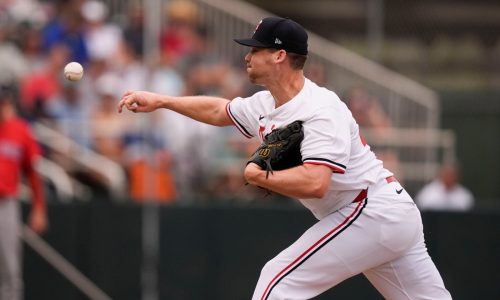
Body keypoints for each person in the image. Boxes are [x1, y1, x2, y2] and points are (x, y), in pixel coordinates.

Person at [118, 17, 451, 300]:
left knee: (277, 281)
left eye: (255, 49)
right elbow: (221, 110)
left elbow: (316, 183)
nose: (247, 56)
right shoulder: (268, 102)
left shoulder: (320, 110)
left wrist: (260, 176)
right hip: (384, 213)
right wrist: (162, 100)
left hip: (368, 210)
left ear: (279, 55)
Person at [0, 85, 48, 300]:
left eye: (4, 103)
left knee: (10, 267)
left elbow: (33, 172)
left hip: (6, 203)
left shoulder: (20, 130)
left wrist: (39, 207)